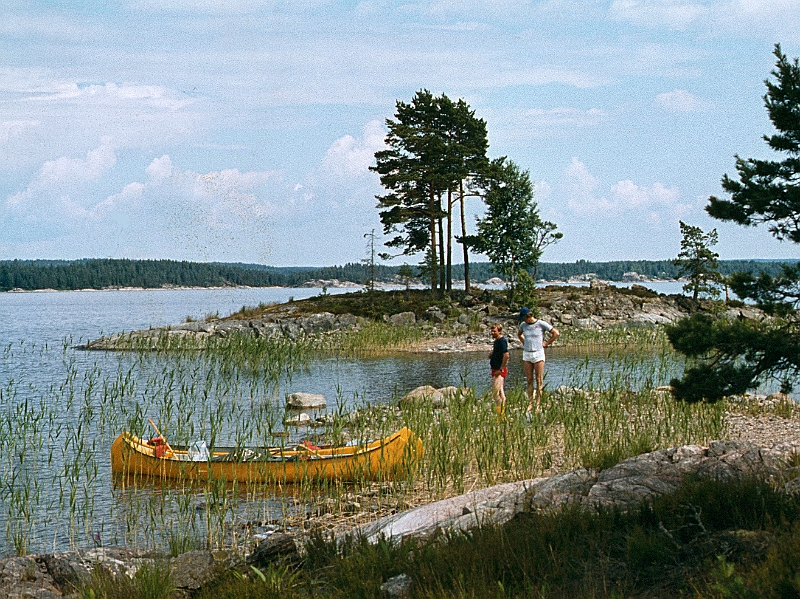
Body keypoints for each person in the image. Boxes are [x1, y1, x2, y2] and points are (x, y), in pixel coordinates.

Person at [517, 307, 559, 413]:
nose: (523, 320)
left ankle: (538, 403)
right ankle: (530, 403)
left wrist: (546, 343)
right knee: (529, 379)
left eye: (523, 318)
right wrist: (524, 342)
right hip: (527, 354)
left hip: (538, 353)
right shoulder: (523, 325)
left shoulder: (540, 324)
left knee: (539, 379)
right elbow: (519, 334)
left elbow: (556, 333)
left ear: (528, 316)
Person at [489, 323, 509, 414]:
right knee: (501, 392)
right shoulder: (497, 341)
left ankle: (500, 413)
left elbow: (506, 355)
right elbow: (498, 351)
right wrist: (492, 354)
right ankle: (502, 412)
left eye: (494, 331)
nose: (492, 333)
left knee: (495, 393)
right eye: (491, 331)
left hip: (499, 370)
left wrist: (501, 369)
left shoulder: (502, 341)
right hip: (494, 369)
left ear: (499, 331)